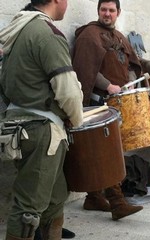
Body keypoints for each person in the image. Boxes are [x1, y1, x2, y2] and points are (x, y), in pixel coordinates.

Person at [0, 0, 84, 239]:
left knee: (56, 197)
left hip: (20, 127)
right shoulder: (46, 34)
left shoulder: (16, 31)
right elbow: (67, 90)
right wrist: (77, 120)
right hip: (42, 132)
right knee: (29, 209)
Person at [72, 0, 150, 221]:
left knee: (103, 151)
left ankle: (93, 197)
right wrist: (108, 86)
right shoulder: (89, 35)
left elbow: (130, 64)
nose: (107, 14)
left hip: (119, 101)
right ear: (98, 11)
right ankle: (117, 202)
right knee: (107, 152)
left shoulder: (119, 37)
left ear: (118, 13)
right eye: (103, 10)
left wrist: (129, 82)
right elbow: (85, 68)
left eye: (111, 10)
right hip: (98, 102)